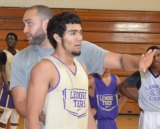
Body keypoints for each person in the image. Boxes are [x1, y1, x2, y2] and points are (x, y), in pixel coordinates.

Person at [10, 5, 155, 125]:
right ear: (57, 36)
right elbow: (21, 102)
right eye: (73, 33)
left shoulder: (81, 58)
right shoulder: (29, 61)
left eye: (29, 23)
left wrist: (139, 61)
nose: (24, 30)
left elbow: (120, 61)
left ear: (46, 23)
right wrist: (38, 115)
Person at [26, 12, 97, 129]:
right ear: (57, 37)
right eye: (73, 33)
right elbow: (32, 118)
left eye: (80, 32)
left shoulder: (82, 68)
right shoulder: (45, 68)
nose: (79, 38)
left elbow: (87, 114)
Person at [119, 46, 160, 129]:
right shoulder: (140, 74)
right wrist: (138, 99)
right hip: (148, 115)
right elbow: (121, 87)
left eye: (158, 55)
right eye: (153, 56)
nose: (156, 59)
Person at [0, 32, 19, 129]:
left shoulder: (19, 53)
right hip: (9, 85)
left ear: (16, 41)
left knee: (16, 111)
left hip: (18, 87)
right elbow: (3, 72)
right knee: (7, 111)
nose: (10, 40)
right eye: (8, 39)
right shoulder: (3, 54)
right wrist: (7, 87)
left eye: (12, 39)